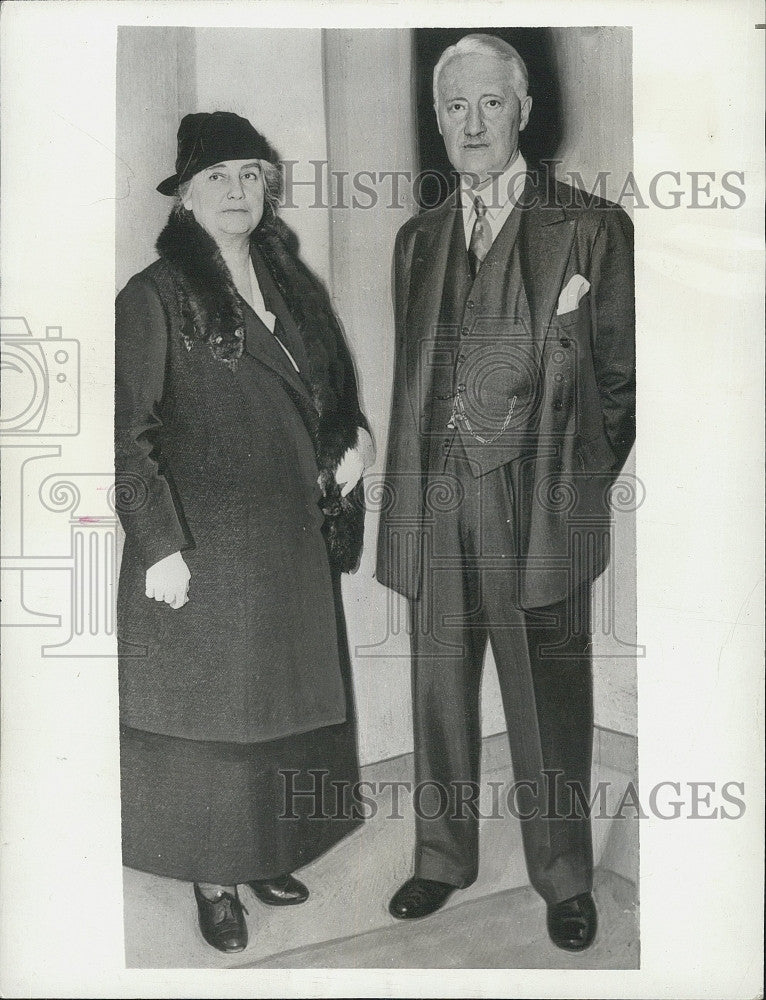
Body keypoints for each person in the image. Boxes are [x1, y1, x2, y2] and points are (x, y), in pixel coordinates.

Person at [376, 34, 635, 950]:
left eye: (491, 103)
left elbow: (620, 385)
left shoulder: (592, 227)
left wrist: (570, 482)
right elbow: (414, 383)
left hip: (537, 504)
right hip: (439, 501)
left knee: (549, 695)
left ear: (523, 111)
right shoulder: (417, 240)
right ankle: (442, 858)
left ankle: (564, 876)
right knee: (439, 692)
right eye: (455, 107)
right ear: (438, 119)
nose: (472, 124)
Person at [115, 111, 374, 954]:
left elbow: (330, 395)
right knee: (218, 725)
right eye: (218, 177)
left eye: (252, 176)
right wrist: (160, 546)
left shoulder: (291, 285)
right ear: (186, 198)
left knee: (282, 713)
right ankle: (214, 881)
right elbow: (130, 437)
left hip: (291, 543)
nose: (238, 192)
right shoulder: (154, 296)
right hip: (207, 550)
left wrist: (355, 441)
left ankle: (268, 853)